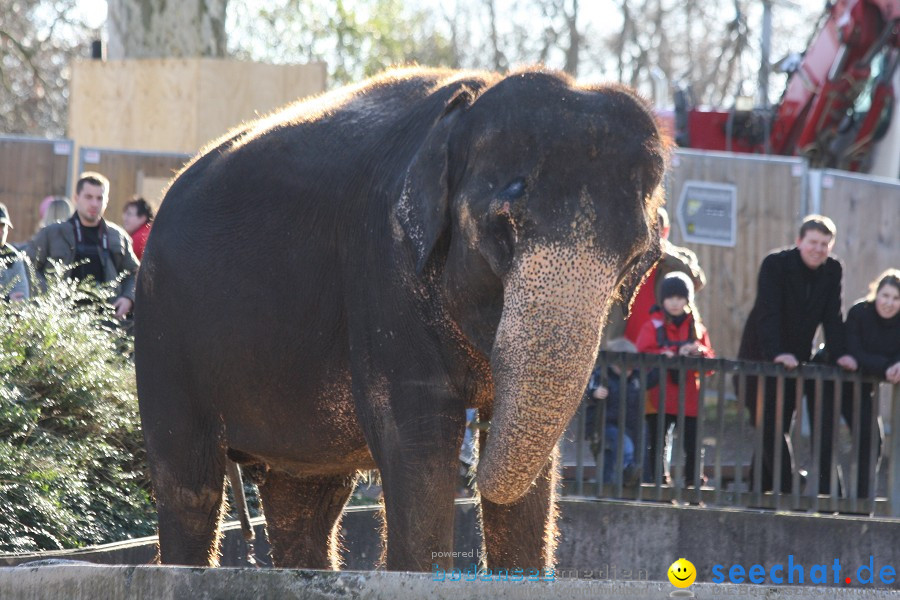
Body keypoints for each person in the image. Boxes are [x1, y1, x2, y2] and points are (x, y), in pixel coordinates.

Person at [736, 214, 857, 493]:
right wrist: (776, 352)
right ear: (799, 241)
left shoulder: (832, 270)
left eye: (825, 244)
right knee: (766, 423)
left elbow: (832, 315)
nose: (818, 249)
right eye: (813, 242)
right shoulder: (775, 264)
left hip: (797, 357)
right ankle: (787, 487)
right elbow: (768, 311)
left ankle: (761, 491)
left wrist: (840, 353)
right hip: (761, 352)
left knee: (779, 423)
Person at [813, 269, 900, 498]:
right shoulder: (860, 312)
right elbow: (854, 352)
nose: (889, 303)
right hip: (831, 379)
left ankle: (862, 501)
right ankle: (829, 498)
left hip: (862, 387)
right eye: (885, 296)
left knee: (872, 440)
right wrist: (886, 367)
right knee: (824, 439)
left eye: (896, 298)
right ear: (876, 293)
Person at [26, 172, 139, 320]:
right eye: (88, 197)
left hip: (107, 322)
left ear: (106, 201)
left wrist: (128, 298)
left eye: (100, 198)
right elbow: (27, 266)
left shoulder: (117, 236)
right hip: (60, 320)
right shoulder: (52, 234)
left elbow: (134, 273)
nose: (94, 204)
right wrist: (48, 296)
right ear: (76, 198)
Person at [636, 272, 714, 486]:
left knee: (693, 444)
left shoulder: (697, 329)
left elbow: (710, 366)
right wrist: (667, 353)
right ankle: (658, 485)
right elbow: (641, 355)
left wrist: (699, 353)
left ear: (687, 300)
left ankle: (693, 485)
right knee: (657, 443)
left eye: (680, 298)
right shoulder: (652, 326)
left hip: (689, 397)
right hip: (658, 397)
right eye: (670, 298)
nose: (675, 302)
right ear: (662, 300)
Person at [604, 206, 706, 344]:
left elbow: (697, 282)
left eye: (654, 228)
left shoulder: (680, 257)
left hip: (661, 344)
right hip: (621, 345)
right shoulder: (626, 258)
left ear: (665, 231)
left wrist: (664, 254)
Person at [584, 338, 651, 486]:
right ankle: (627, 469)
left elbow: (653, 376)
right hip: (604, 424)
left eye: (630, 367)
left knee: (612, 457)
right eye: (622, 366)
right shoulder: (601, 374)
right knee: (623, 445)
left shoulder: (636, 377)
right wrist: (594, 392)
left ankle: (609, 489)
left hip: (629, 425)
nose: (627, 370)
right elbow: (586, 390)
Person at [0, 203, 29, 301]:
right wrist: (6, 300)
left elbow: (22, 298)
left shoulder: (13, 257)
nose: (1, 231)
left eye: (3, 226)